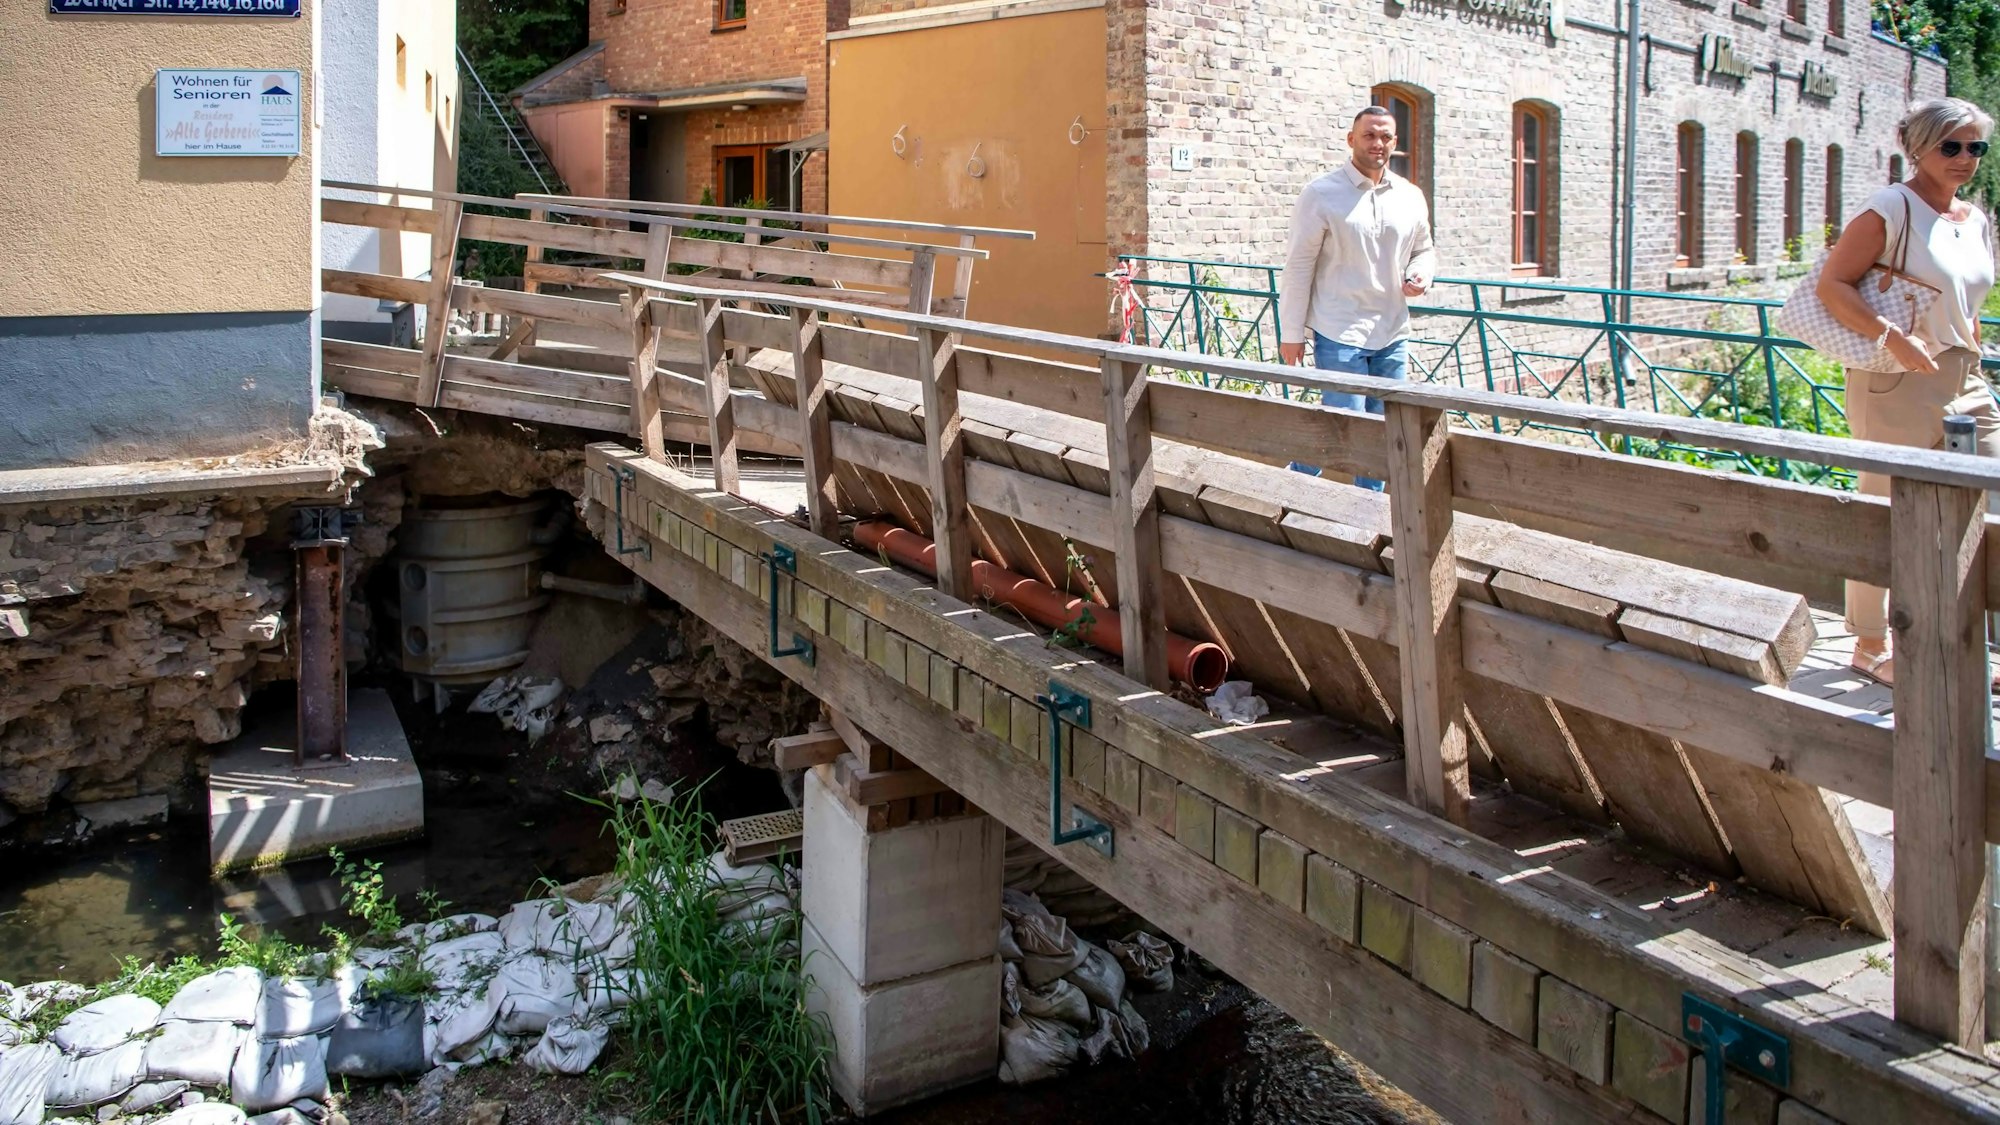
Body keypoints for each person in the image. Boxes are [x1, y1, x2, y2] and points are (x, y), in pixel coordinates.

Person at [1816, 96, 1999, 685]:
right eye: (1952, 146)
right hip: (1896, 378)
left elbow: (1968, 300)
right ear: (1918, 148)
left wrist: (1973, 350)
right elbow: (1833, 284)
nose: (1965, 157)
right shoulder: (1890, 208)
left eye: (1976, 146)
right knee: (1886, 511)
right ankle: (1870, 644)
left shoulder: (1974, 219)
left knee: (1990, 503)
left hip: (1965, 377)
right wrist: (1892, 337)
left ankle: (1972, 640)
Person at [1277, 105, 1438, 491]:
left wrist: (1422, 275)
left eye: (1385, 136)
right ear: (1351, 139)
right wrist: (1291, 333)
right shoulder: (1320, 194)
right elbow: (1298, 266)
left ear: (1395, 142)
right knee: (1342, 426)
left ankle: (1369, 510)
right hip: (1338, 330)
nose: (1377, 143)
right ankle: (1291, 488)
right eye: (1369, 135)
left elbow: (1424, 249)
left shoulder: (1411, 196)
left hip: (1392, 331)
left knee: (1384, 432)